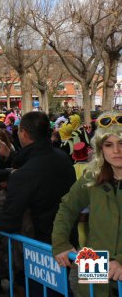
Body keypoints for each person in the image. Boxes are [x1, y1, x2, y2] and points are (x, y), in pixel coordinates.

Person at [0, 111, 76, 296]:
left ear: (23, 133)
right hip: (66, 238)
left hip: (41, 244)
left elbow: (10, 216)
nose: (116, 151)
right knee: (60, 286)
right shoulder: (62, 158)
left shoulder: (26, 174)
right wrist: (11, 156)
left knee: (47, 290)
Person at [52, 112, 122, 297]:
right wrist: (60, 242)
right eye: (109, 145)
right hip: (95, 258)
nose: (116, 151)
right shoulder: (92, 177)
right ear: (101, 149)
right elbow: (67, 208)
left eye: (121, 143)